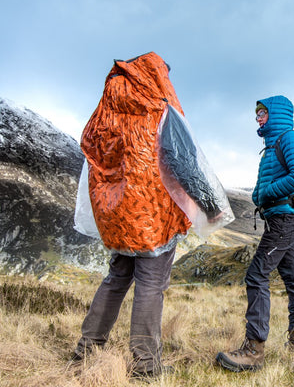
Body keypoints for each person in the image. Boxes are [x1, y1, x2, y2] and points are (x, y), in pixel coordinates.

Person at [70, 52, 212, 379]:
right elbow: (185, 163)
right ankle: (146, 366)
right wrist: (209, 206)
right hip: (153, 218)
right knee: (150, 285)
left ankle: (86, 349)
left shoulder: (103, 114)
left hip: (117, 216)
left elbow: (92, 157)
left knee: (117, 277)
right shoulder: (161, 113)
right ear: (155, 76)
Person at [216, 95, 294, 372]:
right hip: (280, 217)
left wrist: (265, 194)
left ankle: (254, 350)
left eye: (263, 113)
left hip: (285, 217)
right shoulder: (271, 146)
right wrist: (259, 194)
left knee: (256, 275)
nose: (258, 118)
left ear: (277, 114)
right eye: (257, 113)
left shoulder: (289, 140)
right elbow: (268, 183)